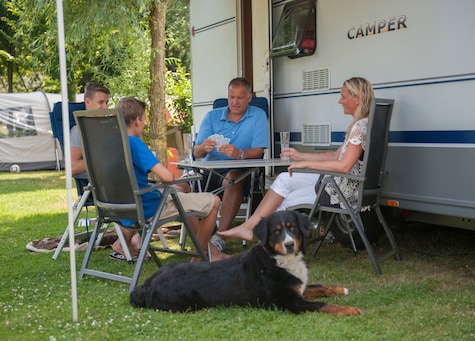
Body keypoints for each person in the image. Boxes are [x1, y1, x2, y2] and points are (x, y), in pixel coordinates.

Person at [218, 77, 374, 241]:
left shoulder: (359, 127)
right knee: (285, 178)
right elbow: (336, 156)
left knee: (281, 201)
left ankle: (266, 242)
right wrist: (300, 155)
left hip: (338, 191)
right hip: (336, 183)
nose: (339, 101)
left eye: (343, 96)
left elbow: (344, 166)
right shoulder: (363, 123)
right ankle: (250, 228)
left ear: (356, 98)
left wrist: (306, 164)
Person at [110, 97, 229, 262]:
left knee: (183, 197)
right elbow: (168, 176)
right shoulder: (134, 143)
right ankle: (199, 258)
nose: (144, 123)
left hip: (118, 208)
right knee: (214, 201)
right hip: (148, 208)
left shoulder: (112, 144)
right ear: (137, 121)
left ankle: (208, 253)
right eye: (144, 119)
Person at [193, 77, 268, 250]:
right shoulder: (212, 116)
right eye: (231, 97)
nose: (234, 102)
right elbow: (196, 152)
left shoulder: (258, 116)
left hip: (239, 170)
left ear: (249, 97)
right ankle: (204, 235)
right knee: (183, 187)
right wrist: (204, 147)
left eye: (240, 98)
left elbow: (258, 150)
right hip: (209, 171)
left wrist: (240, 154)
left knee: (234, 177)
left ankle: (220, 236)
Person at [71, 82, 110, 178]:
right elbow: (73, 167)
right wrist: (104, 159)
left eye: (106, 103)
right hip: (102, 182)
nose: (105, 107)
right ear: (88, 102)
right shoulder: (79, 130)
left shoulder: (111, 127)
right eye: (101, 102)